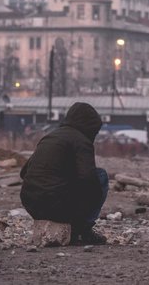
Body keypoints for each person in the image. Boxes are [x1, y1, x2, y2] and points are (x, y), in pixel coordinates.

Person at [20, 102, 108, 245]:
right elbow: (88, 179)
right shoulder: (82, 141)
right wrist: (88, 206)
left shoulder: (50, 137)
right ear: (90, 127)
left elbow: (24, 172)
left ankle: (73, 225)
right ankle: (83, 230)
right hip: (57, 206)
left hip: (31, 204)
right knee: (101, 176)